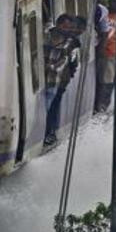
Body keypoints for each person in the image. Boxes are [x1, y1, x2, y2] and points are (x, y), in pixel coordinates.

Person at [42, 14, 80, 147]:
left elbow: (67, 62)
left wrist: (52, 67)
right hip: (43, 80)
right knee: (48, 108)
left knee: (51, 107)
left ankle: (50, 133)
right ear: (58, 24)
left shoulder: (70, 43)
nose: (67, 30)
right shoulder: (46, 35)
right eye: (65, 27)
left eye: (69, 27)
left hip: (56, 81)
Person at [93, 0, 114, 113]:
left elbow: (105, 33)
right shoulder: (103, 11)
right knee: (102, 78)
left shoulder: (101, 10)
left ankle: (102, 104)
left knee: (105, 79)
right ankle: (99, 104)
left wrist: (101, 49)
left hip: (107, 51)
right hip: (103, 50)